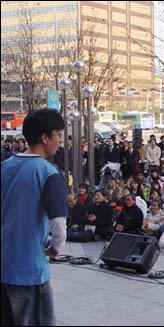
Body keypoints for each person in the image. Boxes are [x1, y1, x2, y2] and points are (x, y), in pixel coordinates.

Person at [1, 109, 68, 326]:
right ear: (45, 137)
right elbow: (58, 224)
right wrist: (56, 247)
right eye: (58, 134)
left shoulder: (5, 167)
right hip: (29, 270)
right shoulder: (48, 173)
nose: (60, 141)